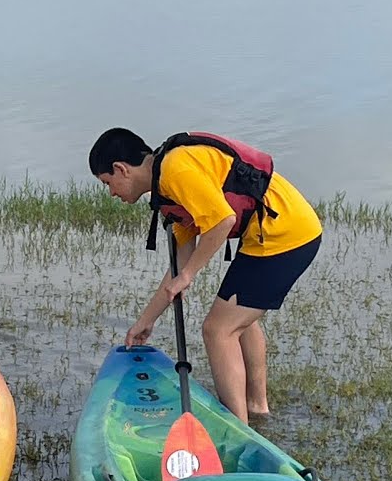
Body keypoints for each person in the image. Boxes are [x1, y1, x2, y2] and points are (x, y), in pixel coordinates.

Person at [89, 127, 322, 424]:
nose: (111, 193)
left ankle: (238, 428)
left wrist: (188, 275)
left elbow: (223, 221)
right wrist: (145, 322)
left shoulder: (174, 170)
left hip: (285, 233)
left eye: (108, 183)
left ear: (121, 169)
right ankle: (257, 408)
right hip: (275, 232)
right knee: (239, 319)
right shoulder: (167, 191)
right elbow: (178, 266)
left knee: (217, 330)